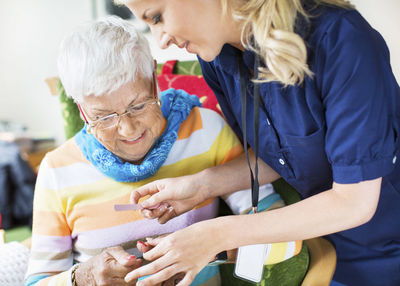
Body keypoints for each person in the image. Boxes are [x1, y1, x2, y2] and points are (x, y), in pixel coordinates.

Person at [116, 1, 400, 286]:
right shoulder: (216, 58)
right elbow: (283, 155)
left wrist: (218, 234)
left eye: (157, 17)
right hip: (325, 248)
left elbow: (354, 202)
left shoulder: (340, 38)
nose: (161, 41)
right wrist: (201, 185)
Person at [24, 16, 300, 286]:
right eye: (104, 116)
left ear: (154, 81)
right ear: (81, 109)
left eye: (138, 105)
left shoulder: (206, 132)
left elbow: (287, 240)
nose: (129, 130)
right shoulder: (56, 171)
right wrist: (82, 278)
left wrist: (210, 250)